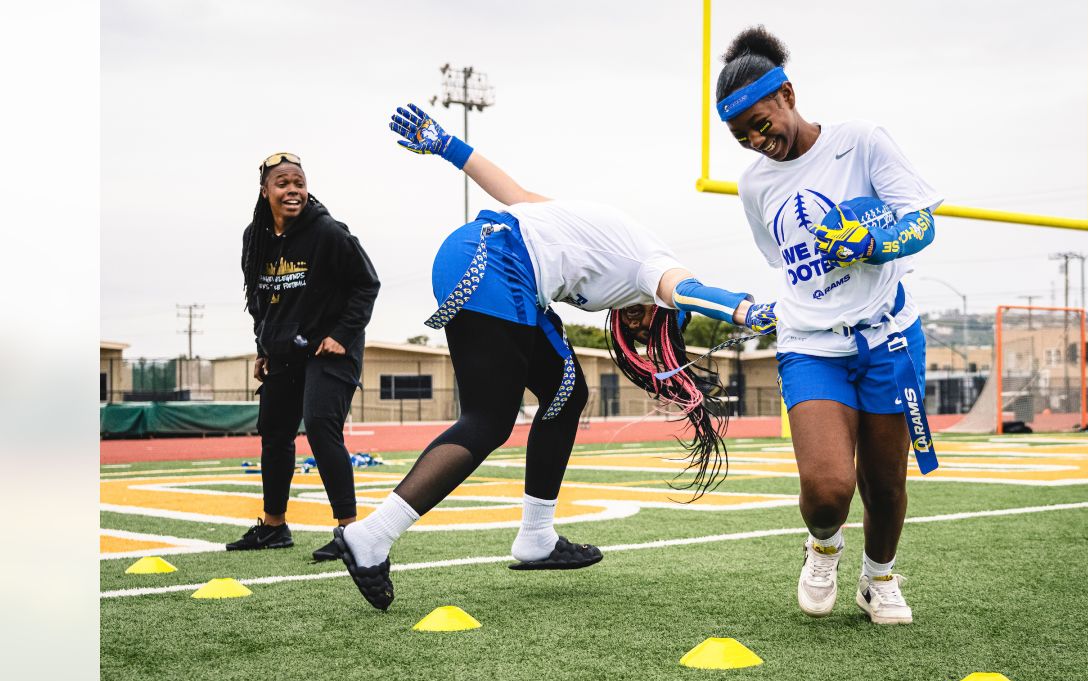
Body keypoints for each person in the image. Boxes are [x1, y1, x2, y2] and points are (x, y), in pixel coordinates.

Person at [332, 104, 777, 610]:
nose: (634, 324)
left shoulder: (617, 246)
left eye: (642, 327)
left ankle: (536, 537)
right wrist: (743, 309)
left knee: (567, 389)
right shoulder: (653, 267)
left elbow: (518, 197)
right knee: (488, 420)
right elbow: (686, 288)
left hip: (494, 262)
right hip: (494, 261)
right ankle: (372, 535)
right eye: (646, 318)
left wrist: (445, 145)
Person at [716, 27, 943, 624]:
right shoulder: (754, 185)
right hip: (810, 346)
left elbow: (920, 222)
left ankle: (878, 578)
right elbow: (785, 262)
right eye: (742, 138)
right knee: (826, 490)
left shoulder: (861, 142)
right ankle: (823, 547)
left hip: (889, 336)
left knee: (886, 484)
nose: (758, 142)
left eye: (762, 124)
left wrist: (872, 241)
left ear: (787, 94)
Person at [229, 152, 381, 562]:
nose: (292, 190)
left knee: (319, 425)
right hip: (283, 351)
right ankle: (274, 526)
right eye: (282, 183)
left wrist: (342, 335)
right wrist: (263, 347)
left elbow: (367, 284)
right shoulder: (255, 237)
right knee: (274, 433)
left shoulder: (328, 232)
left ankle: (350, 532)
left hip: (328, 348)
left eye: (298, 182)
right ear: (265, 192)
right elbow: (259, 298)